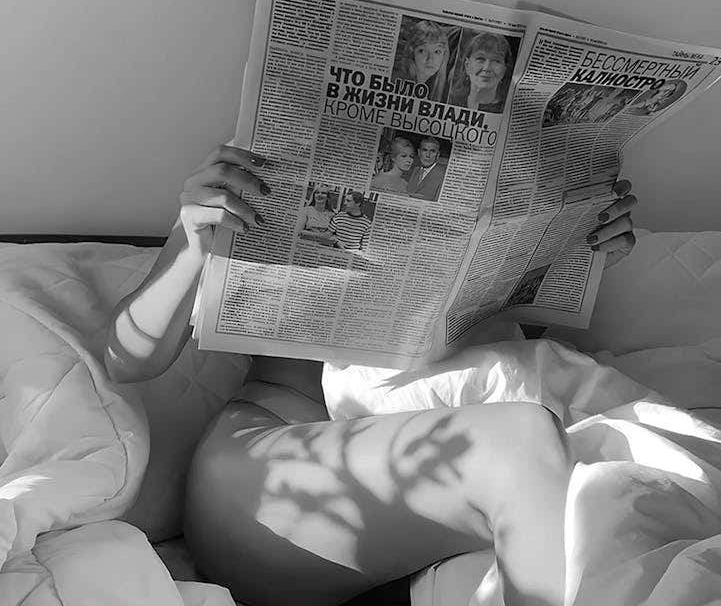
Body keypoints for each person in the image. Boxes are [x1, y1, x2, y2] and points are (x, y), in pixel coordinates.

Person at [104, 144, 637, 606]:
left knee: (599, 481)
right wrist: (191, 242)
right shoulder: (246, 180)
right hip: (269, 474)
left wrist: (581, 254)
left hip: (425, 467)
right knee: (524, 441)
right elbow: (127, 360)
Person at [451, 32, 514, 113]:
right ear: (467, 65)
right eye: (480, 59)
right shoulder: (452, 99)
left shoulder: (507, 110)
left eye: (496, 61)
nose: (487, 68)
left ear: (504, 71)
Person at [393, 18, 451, 101]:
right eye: (422, 51)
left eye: (437, 51)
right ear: (412, 53)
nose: (430, 59)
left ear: (444, 55)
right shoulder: (403, 88)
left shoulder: (424, 90)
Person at [405, 136, 447, 202]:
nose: (428, 155)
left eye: (432, 151)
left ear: (438, 154)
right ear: (419, 152)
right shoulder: (413, 170)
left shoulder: (443, 175)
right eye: (424, 150)